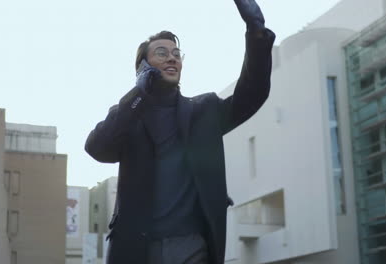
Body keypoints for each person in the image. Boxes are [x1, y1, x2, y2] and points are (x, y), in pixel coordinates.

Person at [85, 0, 275, 263]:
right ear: (143, 67)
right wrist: (139, 92)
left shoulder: (204, 110)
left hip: (191, 246)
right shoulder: (129, 115)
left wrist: (256, 32)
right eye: (161, 53)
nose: (172, 57)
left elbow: (252, 93)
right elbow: (97, 148)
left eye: (176, 53)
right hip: (137, 249)